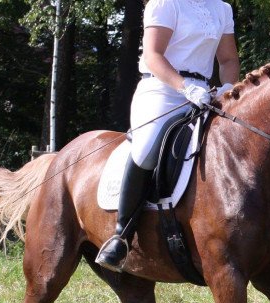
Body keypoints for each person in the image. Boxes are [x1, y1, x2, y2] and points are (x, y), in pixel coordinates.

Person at [96, 0, 240, 272]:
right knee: (147, 147)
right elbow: (153, 55)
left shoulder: (222, 8)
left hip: (205, 93)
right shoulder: (165, 4)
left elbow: (228, 59)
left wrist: (228, 88)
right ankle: (121, 235)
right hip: (162, 89)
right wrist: (185, 87)